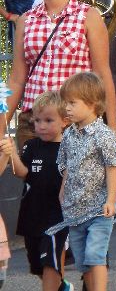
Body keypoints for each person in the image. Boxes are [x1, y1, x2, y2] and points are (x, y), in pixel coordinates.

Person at [6, 0, 116, 147]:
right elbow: (16, 80)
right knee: (30, 169)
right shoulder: (26, 20)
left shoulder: (89, 16)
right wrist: (1, 124)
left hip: (75, 120)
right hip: (33, 120)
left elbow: (102, 74)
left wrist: (112, 126)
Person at [53, 72, 116, 291]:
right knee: (83, 262)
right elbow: (67, 165)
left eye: (72, 103)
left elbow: (112, 167)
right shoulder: (69, 134)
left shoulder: (103, 135)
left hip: (98, 210)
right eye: (65, 103)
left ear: (92, 103)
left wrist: (111, 199)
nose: (67, 108)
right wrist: (63, 190)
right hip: (75, 210)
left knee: (95, 255)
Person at [0, 92, 71, 291]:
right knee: (37, 265)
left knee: (50, 262)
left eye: (48, 120)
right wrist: (12, 154)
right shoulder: (31, 146)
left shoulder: (69, 148)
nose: (42, 126)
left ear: (64, 121)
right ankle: (61, 287)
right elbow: (22, 173)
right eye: (38, 120)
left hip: (57, 217)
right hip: (32, 214)